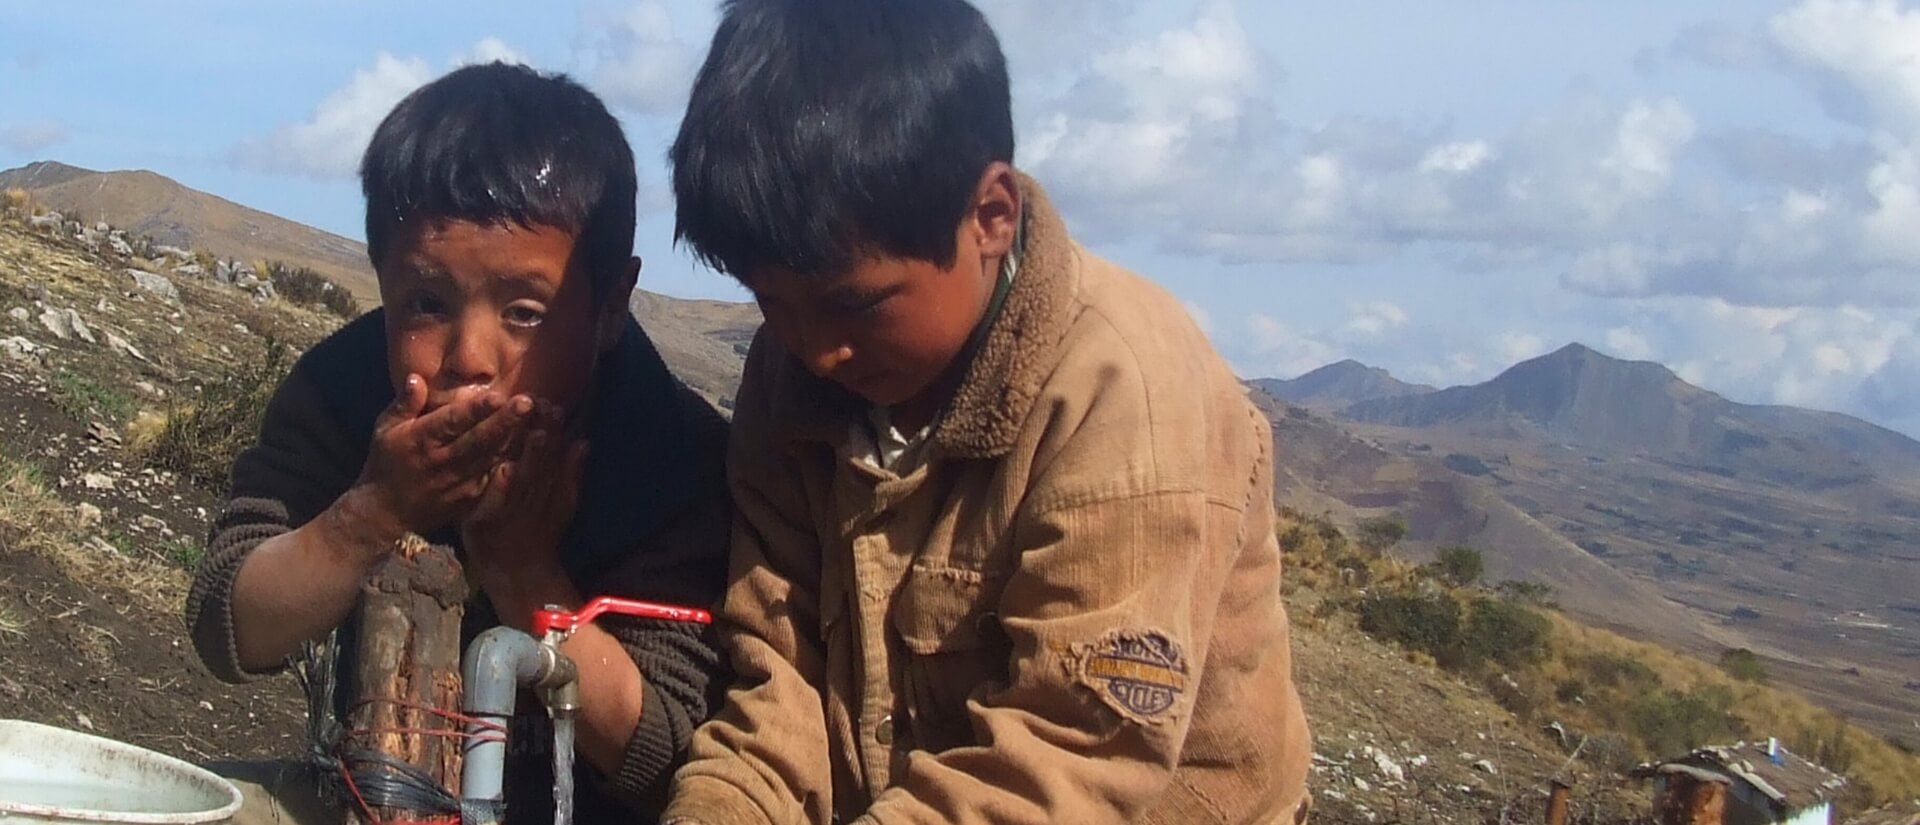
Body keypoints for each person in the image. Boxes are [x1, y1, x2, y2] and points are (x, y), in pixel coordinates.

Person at [658, 1, 1312, 823]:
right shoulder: (790, 379)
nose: (817, 350)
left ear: (990, 218)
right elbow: (777, 683)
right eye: (773, 304)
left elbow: (1070, 755)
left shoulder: (1123, 393)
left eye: (856, 305)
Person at [184, 61, 731, 825]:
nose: (469, 357)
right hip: (372, 798)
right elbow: (229, 622)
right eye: (428, 303)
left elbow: (668, 749)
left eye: (525, 313)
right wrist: (370, 513)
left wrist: (520, 565)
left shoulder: (671, 455)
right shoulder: (339, 393)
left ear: (609, 308)